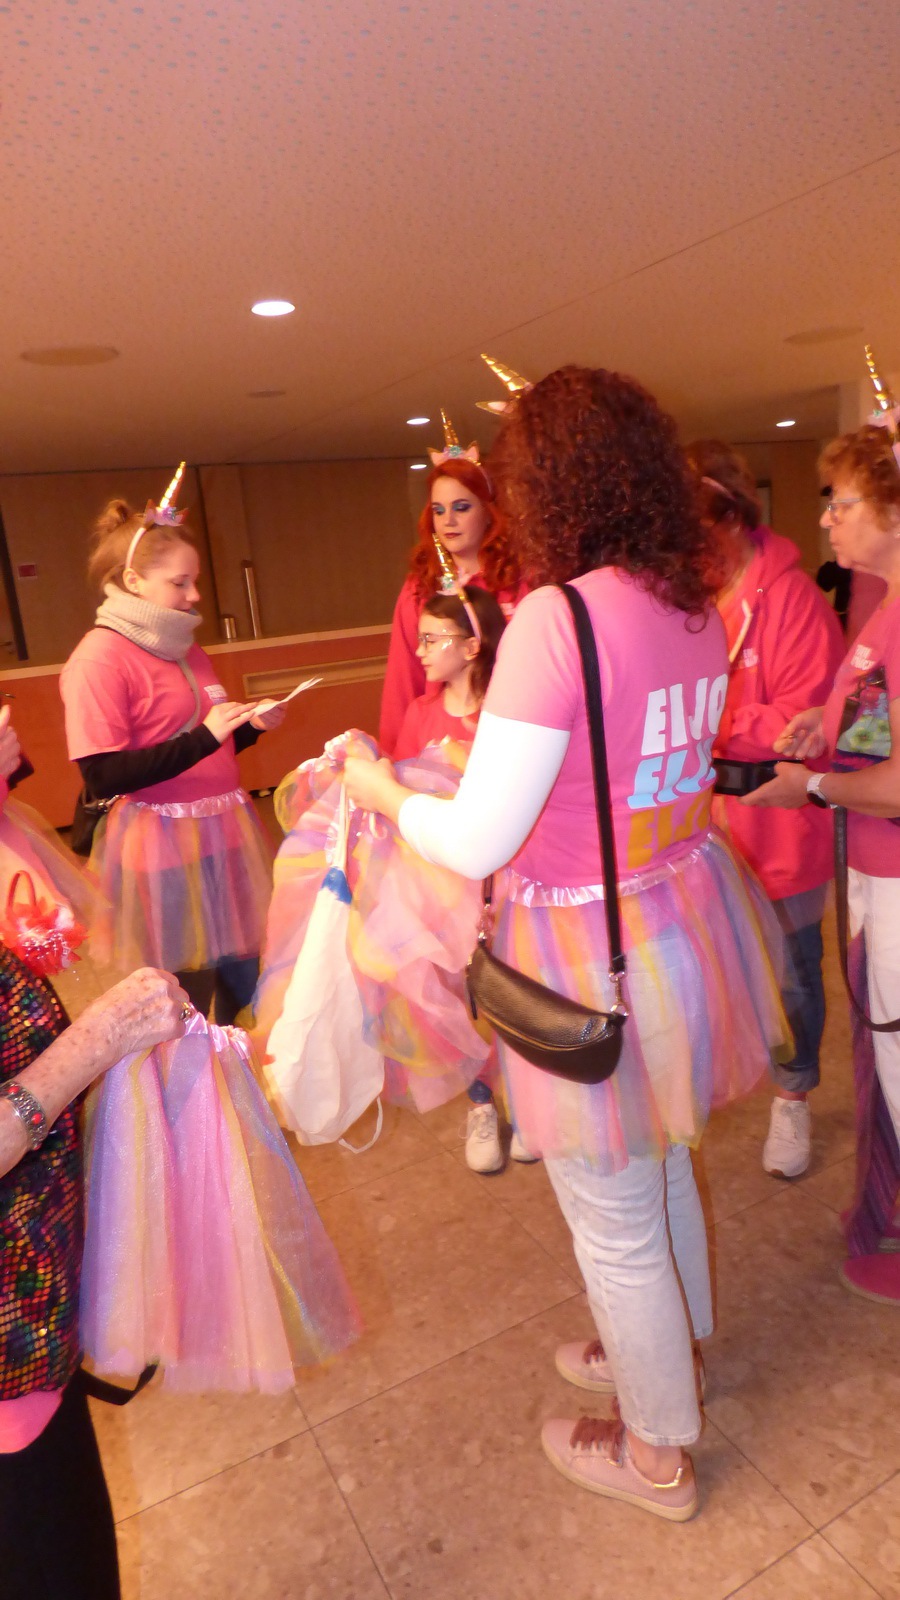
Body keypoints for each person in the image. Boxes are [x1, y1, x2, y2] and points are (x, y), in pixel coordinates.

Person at [345, 365, 789, 1520]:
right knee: (659, 1156)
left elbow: (478, 832)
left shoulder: (560, 616)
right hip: (679, 917)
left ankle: (656, 1449)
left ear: (549, 485)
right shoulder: (692, 604)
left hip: (587, 948)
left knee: (614, 1213)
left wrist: (379, 791)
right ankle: (673, 1355)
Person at [745, 417, 900, 1303]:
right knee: (883, 1051)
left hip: (896, 872)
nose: (827, 519)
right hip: (874, 871)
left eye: (842, 503)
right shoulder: (881, 612)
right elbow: (873, 732)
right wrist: (823, 727)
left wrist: (809, 787)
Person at [59, 492, 283, 1022]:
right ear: (133, 581)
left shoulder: (184, 646)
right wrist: (206, 737)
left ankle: (235, 1065)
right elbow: (103, 774)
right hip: (162, 843)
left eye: (194, 580)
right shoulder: (99, 658)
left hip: (225, 830)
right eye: (180, 583)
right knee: (187, 996)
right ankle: (191, 1074)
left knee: (249, 979)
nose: (194, 595)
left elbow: (203, 744)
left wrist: (248, 729)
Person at [686, 441, 844, 1178]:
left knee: (793, 974)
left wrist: (710, 724)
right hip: (702, 824)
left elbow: (806, 720)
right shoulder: (686, 599)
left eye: (698, 529)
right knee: (708, 964)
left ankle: (793, 1095)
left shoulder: (793, 598)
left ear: (733, 517)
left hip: (779, 822)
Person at [395, 585, 533, 1170]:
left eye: (433, 639)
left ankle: (527, 1102)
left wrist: (465, 763)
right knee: (460, 993)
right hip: (443, 882)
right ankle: (480, 1101)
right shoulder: (420, 714)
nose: (420, 650)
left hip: (510, 879)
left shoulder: (509, 714)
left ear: (473, 646)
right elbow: (404, 798)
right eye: (420, 638)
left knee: (518, 988)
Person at [379, 419, 526, 754]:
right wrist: (393, 758)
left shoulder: (520, 578)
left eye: (461, 508)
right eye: (439, 510)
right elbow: (404, 676)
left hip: (516, 727)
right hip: (439, 738)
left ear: (488, 512)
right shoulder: (419, 586)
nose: (448, 521)